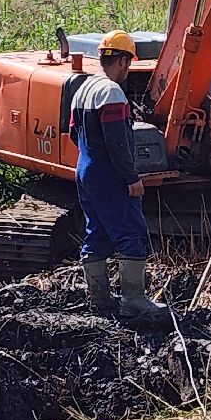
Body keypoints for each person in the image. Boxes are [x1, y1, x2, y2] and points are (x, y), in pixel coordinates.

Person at [68, 29, 166, 318]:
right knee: (131, 232)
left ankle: (100, 299)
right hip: (109, 174)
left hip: (85, 170)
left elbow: (74, 133)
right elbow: (118, 142)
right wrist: (131, 178)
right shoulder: (111, 92)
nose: (128, 70)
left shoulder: (83, 89)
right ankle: (133, 300)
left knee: (96, 232)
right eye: (129, 63)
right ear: (123, 61)